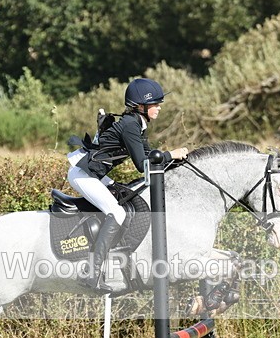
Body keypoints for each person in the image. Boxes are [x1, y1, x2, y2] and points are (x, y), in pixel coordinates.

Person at [67, 78, 189, 291]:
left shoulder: (137, 124)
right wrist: (171, 154)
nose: (159, 107)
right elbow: (142, 165)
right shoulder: (131, 125)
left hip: (95, 174)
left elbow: (149, 154)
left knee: (127, 199)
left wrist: (172, 158)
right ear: (140, 106)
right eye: (155, 104)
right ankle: (92, 273)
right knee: (118, 213)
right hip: (83, 174)